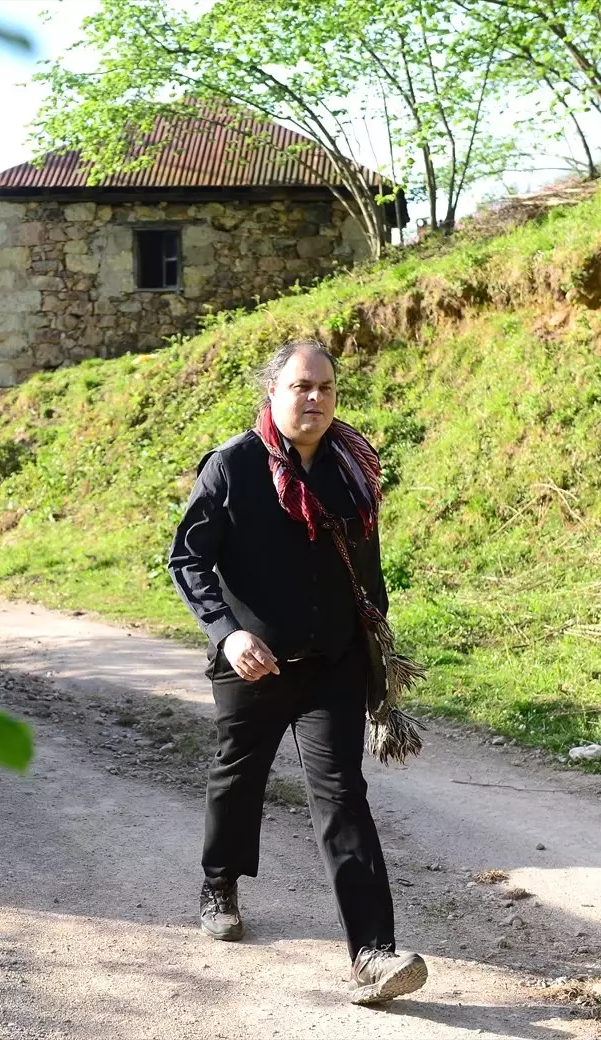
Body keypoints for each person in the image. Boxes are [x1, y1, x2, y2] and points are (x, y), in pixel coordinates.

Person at [167, 339, 428, 1005]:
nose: (314, 399)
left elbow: (365, 569)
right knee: (239, 774)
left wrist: (375, 643)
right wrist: (226, 634)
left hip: (333, 661)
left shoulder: (351, 467)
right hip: (253, 665)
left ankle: (373, 952)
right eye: (301, 386)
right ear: (274, 393)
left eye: (325, 388)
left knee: (343, 795)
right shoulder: (232, 467)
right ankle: (220, 881)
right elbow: (188, 562)